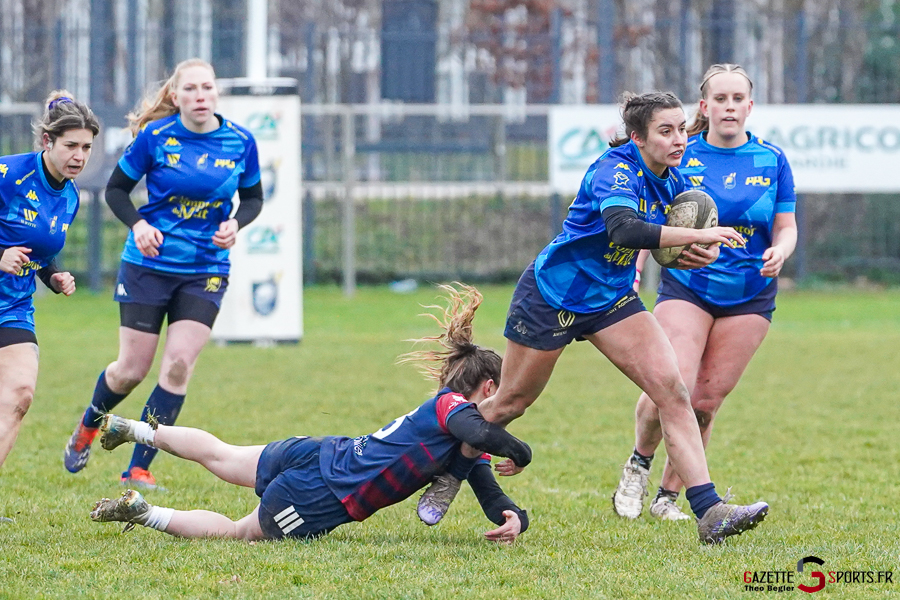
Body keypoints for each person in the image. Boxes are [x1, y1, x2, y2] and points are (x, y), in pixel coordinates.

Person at [419, 91, 769, 544]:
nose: (679, 139)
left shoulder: (672, 180)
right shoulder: (615, 170)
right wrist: (691, 236)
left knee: (672, 392)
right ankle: (448, 472)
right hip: (554, 296)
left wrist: (695, 252)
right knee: (509, 404)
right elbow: (625, 229)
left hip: (611, 300)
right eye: (665, 131)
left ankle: (709, 511)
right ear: (638, 137)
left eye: (681, 129)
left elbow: (665, 244)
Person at [90, 284, 531, 543]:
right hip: (325, 494)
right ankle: (143, 511)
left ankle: (133, 429)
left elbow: (485, 483)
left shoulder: (458, 434)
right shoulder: (452, 408)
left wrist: (513, 516)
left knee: (223, 454)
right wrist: (520, 451)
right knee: (239, 533)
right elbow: (480, 433)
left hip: (320, 452)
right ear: (489, 387)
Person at [63, 59, 265, 489]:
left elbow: (253, 199)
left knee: (177, 366)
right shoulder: (156, 137)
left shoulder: (240, 141)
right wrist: (139, 225)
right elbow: (116, 191)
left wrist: (236, 223)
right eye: (190, 89)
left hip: (205, 268)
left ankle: (138, 467)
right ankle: (89, 424)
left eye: (207, 87)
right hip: (148, 266)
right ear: (175, 96)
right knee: (130, 371)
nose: (200, 96)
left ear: (216, 92)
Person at [611, 64, 797, 522]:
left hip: (750, 294)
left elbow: (786, 226)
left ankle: (667, 499)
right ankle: (638, 465)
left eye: (737, 99)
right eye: (720, 99)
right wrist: (635, 270)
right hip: (688, 287)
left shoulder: (771, 159)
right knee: (670, 384)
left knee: (706, 404)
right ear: (704, 106)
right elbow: (649, 220)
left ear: (750, 106)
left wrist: (781, 251)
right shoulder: (682, 154)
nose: (729, 107)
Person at [0, 91, 99, 521]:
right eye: (71, 145)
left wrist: (54, 275)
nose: (79, 156)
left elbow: (40, 252)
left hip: (13, 307)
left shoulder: (71, 197)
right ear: (47, 141)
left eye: (87, 147)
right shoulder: (8, 174)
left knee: (19, 394)